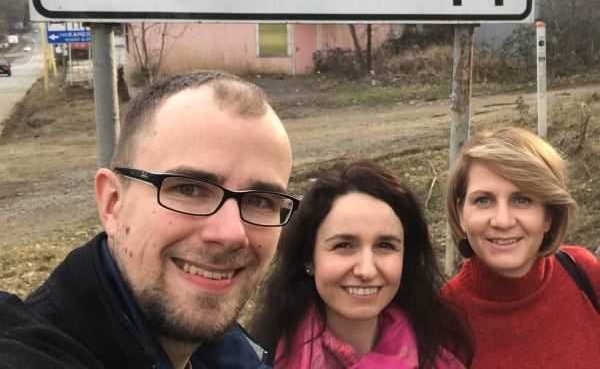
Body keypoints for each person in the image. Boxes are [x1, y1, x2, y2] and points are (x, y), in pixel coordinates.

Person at [0, 70, 299, 369]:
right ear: (113, 203)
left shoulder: (232, 354)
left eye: (260, 201)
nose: (231, 233)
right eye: (189, 189)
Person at [249, 160, 472, 369]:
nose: (366, 270)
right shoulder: (255, 360)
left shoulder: (442, 360)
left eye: (385, 245)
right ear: (309, 258)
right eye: (344, 245)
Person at [442, 126, 600, 369]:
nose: (503, 221)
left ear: (548, 216)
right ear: (461, 214)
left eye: (522, 200)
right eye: (483, 200)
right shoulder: (442, 319)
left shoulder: (584, 272)